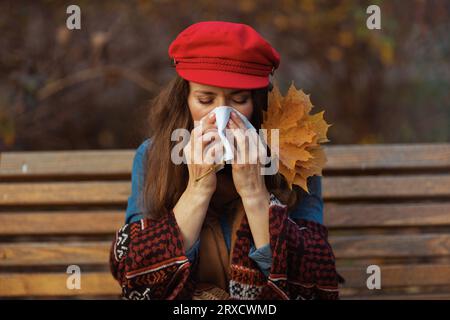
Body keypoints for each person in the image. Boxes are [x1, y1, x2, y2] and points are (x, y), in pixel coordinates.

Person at [110, 21, 341, 300]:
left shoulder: (296, 155)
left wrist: (255, 193)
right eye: (205, 100)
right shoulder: (154, 155)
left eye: (238, 99)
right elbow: (135, 277)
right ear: (185, 99)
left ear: (257, 102)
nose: (221, 115)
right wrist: (197, 190)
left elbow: (316, 283)